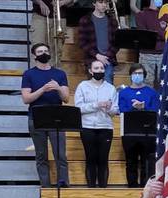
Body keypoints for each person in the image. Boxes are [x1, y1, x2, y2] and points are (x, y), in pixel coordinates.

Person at [22, 43, 71, 187]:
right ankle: (46, 187)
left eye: (46, 50)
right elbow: (26, 98)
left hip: (57, 117)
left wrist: (57, 88)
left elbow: (66, 98)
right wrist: (43, 89)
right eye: (40, 51)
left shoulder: (59, 74)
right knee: (41, 156)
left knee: (60, 155)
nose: (44, 53)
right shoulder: (29, 74)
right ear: (35, 55)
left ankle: (63, 185)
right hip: (37, 117)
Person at [74, 60, 117, 188]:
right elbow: (79, 108)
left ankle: (103, 187)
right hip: (87, 128)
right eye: (96, 68)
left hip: (105, 127)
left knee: (103, 159)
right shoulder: (82, 86)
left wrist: (109, 108)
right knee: (90, 158)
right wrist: (96, 105)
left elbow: (115, 110)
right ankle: (91, 188)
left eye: (101, 68)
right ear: (90, 71)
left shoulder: (111, 88)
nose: (99, 71)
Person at [118, 64, 158, 188]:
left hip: (148, 132)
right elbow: (121, 109)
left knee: (147, 161)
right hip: (129, 133)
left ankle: (146, 187)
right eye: (135, 73)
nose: (137, 76)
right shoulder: (124, 92)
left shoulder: (151, 92)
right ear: (130, 75)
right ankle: (132, 186)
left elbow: (155, 109)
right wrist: (133, 107)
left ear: (144, 75)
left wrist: (143, 107)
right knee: (131, 161)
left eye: (140, 73)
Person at [77, 0, 118, 81]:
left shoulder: (112, 20)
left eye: (106, 3)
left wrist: (107, 56)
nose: (104, 5)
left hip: (108, 59)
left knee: (108, 87)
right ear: (94, 3)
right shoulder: (85, 20)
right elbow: (82, 43)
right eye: (100, 2)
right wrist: (97, 55)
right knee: (93, 88)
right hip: (92, 59)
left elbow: (117, 42)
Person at [132, 0, 167, 81]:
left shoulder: (166, 15)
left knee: (163, 84)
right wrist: (161, 31)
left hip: (163, 54)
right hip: (146, 54)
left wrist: (154, 33)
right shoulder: (141, 15)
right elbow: (145, 36)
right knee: (147, 82)